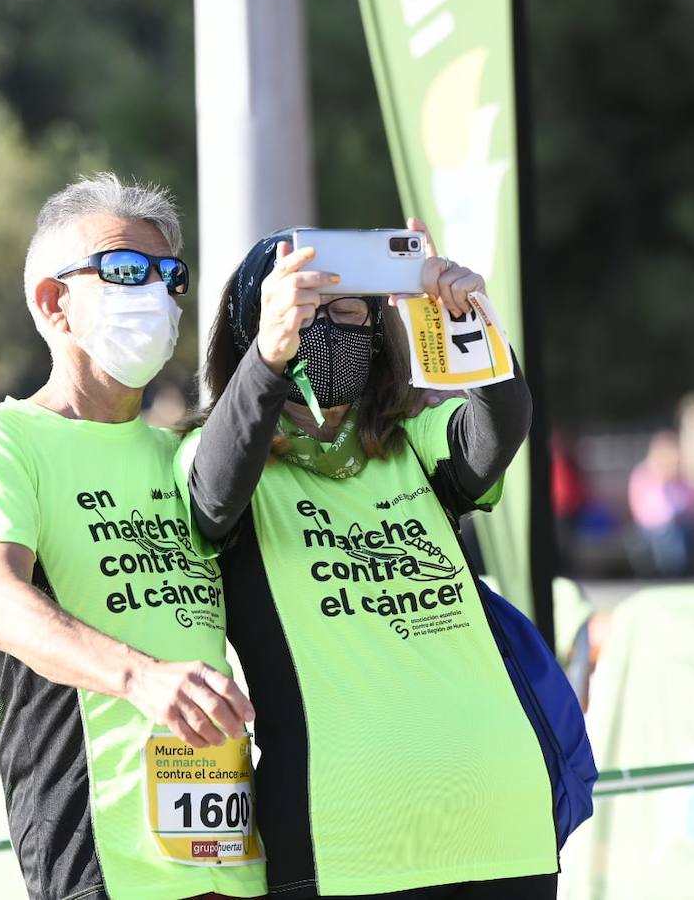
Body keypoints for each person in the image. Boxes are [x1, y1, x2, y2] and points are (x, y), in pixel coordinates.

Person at [178, 220, 560, 898]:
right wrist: (269, 360)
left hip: (504, 826)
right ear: (253, 322)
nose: (327, 328)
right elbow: (213, 499)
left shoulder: (411, 441)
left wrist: (467, 321)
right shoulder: (212, 457)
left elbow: (500, 424)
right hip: (347, 843)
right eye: (303, 310)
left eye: (349, 310)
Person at [0, 173, 264, 900]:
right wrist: (141, 677)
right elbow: (0, 605)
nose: (155, 292)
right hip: (100, 849)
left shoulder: (185, 456)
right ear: (53, 301)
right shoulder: (0, 440)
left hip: (230, 846)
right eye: (123, 271)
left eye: (169, 276)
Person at [627, 429, 694, 576]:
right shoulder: (646, 474)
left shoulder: (680, 478)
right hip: (651, 528)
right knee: (669, 535)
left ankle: (677, 572)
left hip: (680, 525)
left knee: (681, 532)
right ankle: (670, 574)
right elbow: (648, 510)